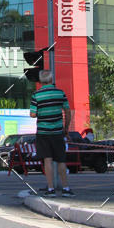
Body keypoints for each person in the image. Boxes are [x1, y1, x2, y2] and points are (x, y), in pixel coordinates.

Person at [29, 69, 74, 197]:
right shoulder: (60, 93)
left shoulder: (36, 95)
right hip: (58, 132)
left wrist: (42, 111)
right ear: (51, 79)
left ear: (40, 81)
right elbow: (68, 111)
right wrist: (66, 129)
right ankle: (66, 188)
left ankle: (50, 189)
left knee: (47, 160)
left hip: (43, 132)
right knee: (61, 160)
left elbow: (32, 114)